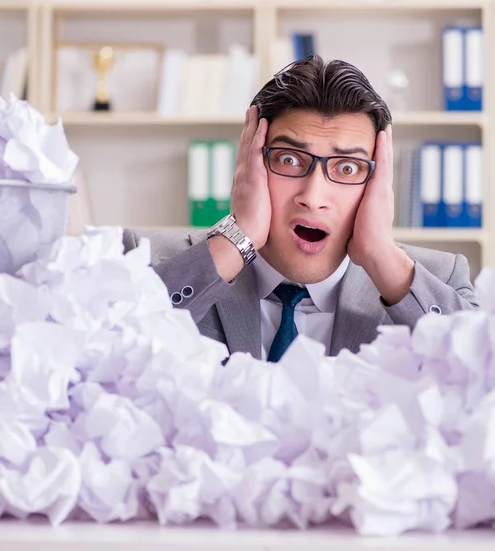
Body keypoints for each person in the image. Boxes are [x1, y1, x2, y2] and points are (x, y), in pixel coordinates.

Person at [123, 55, 479, 361]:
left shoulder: (438, 277)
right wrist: (235, 239)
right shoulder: (145, 260)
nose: (313, 195)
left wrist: (383, 259)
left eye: (347, 167)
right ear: (250, 160)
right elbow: (101, 346)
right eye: (290, 159)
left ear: (377, 182)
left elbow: (481, 374)